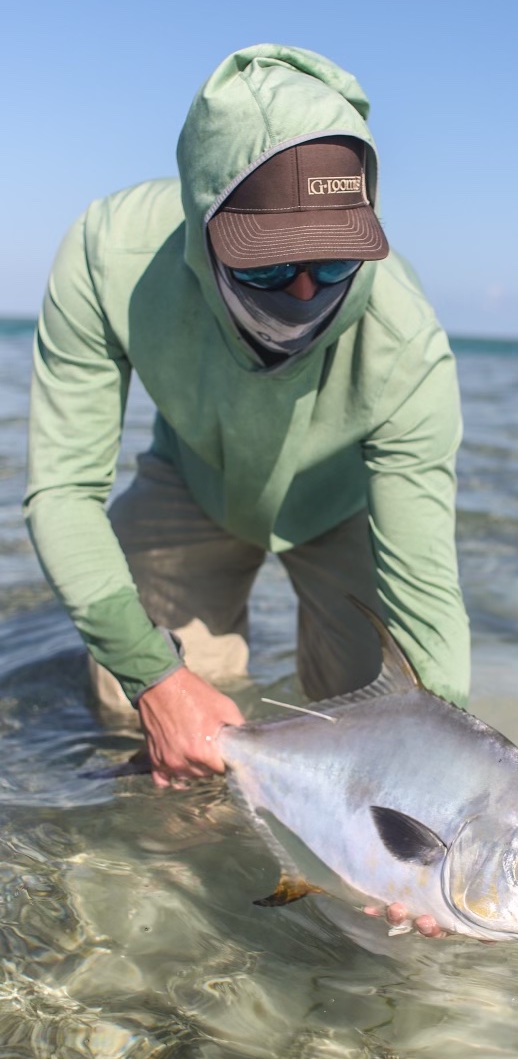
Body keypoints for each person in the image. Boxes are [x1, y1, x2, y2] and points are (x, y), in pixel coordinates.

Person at [24, 44, 470, 800]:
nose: (302, 289)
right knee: (147, 736)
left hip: (345, 499)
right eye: (266, 265)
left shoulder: (408, 344)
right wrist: (155, 677)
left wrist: (443, 787)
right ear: (204, 227)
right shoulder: (109, 256)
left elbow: (427, 595)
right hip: (191, 476)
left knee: (381, 742)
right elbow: (62, 492)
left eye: (331, 262)